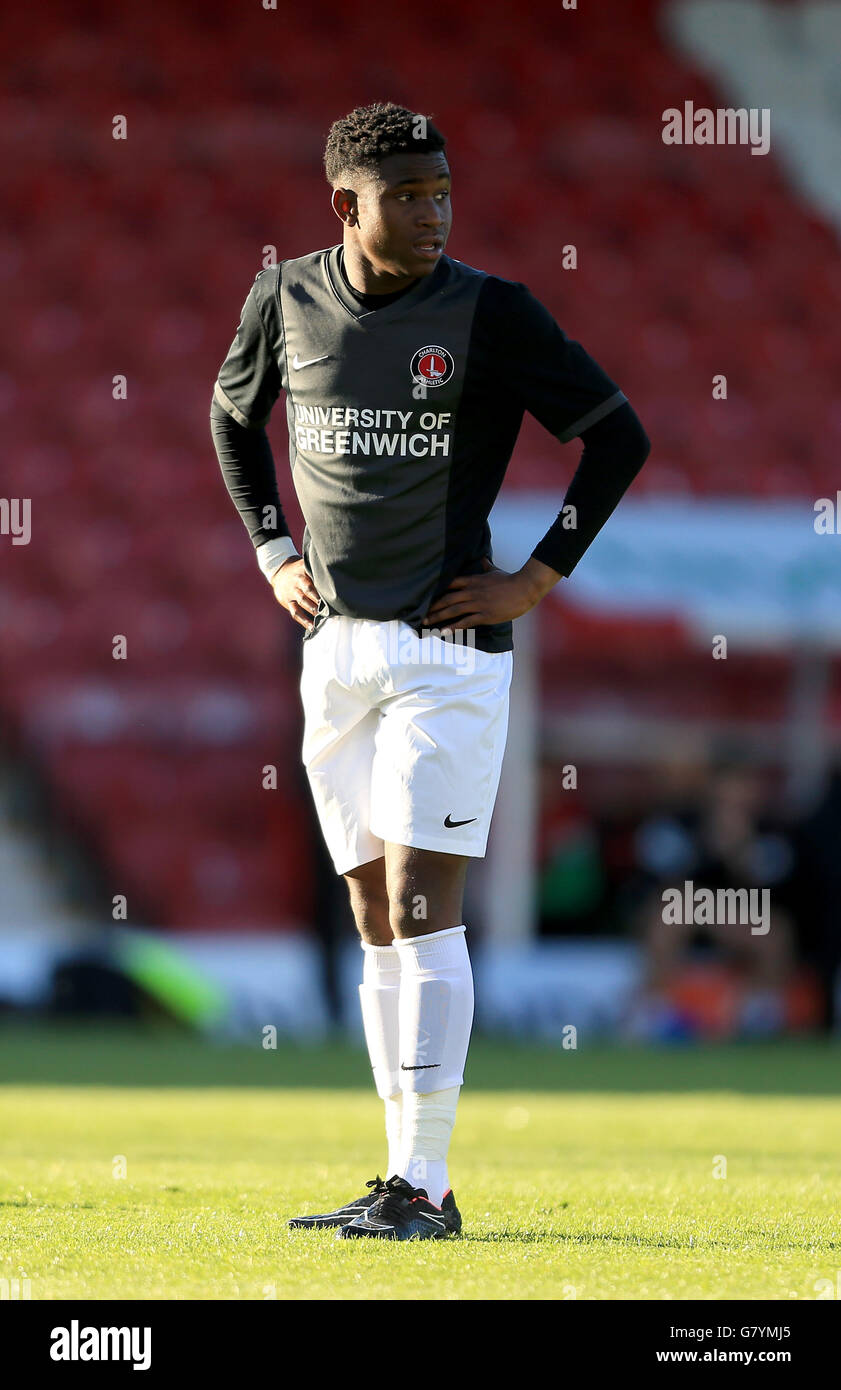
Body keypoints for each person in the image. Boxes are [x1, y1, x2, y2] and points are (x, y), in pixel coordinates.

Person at [210, 101, 650, 1240]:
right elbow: (230, 415)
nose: (433, 211)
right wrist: (270, 549)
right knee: (369, 908)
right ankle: (399, 1171)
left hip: (447, 649)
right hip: (333, 646)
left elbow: (617, 436)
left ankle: (429, 1180)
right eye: (407, 195)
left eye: (442, 190)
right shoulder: (286, 297)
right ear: (343, 206)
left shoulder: (492, 312)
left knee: (419, 897)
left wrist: (536, 577)